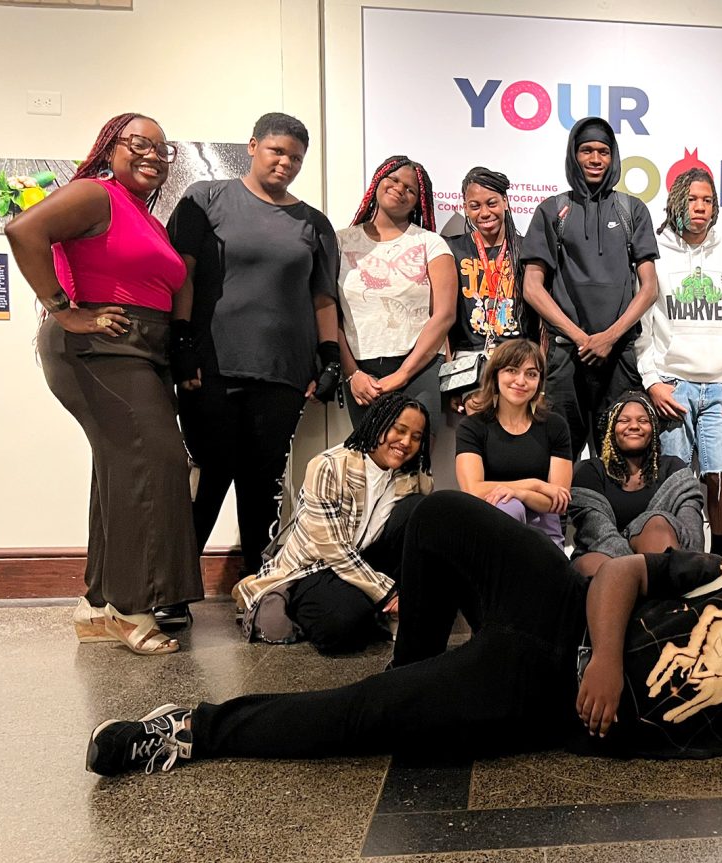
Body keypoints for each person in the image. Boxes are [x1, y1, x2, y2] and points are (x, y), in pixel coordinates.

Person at [85, 491, 722, 776]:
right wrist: (610, 658)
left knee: (361, 716)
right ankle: (417, 667)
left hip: (539, 686)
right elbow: (618, 572)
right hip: (565, 617)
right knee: (439, 513)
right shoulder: (715, 573)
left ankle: (190, 730)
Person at [5, 112, 202, 654]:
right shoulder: (97, 194)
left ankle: (97, 604)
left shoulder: (143, 216)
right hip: (101, 344)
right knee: (157, 460)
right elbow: (24, 230)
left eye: (163, 151)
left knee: (123, 464)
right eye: (140, 144)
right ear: (110, 147)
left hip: (141, 348)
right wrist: (64, 310)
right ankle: (133, 608)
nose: (153, 156)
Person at [167, 112, 340, 582]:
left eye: (297, 158)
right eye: (277, 151)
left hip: (284, 373)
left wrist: (329, 357)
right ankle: (173, 590)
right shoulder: (206, 198)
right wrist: (180, 340)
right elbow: (182, 272)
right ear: (253, 146)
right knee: (209, 476)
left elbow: (322, 297)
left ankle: (258, 589)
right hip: (213, 366)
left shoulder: (314, 223)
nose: (286, 163)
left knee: (263, 484)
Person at [232, 392, 433, 654]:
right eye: (399, 430)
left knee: (421, 509)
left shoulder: (409, 476)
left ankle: (380, 608)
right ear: (377, 422)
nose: (406, 442)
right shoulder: (328, 466)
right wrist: (388, 592)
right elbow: (333, 550)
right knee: (342, 628)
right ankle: (287, 604)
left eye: (416, 437)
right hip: (316, 568)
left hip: (362, 561)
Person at [521, 116, 660, 458]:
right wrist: (582, 338)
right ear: (574, 155)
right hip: (567, 353)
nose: (595, 159)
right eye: (586, 151)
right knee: (559, 455)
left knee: (619, 455)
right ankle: (561, 515)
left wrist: (609, 337)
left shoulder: (632, 210)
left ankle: (613, 515)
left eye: (603, 151)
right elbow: (532, 288)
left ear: (613, 157)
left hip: (618, 356)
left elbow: (650, 288)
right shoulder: (552, 210)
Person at [636, 167, 722, 558]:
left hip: (720, 385)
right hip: (673, 384)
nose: (700, 208)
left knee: (719, 481)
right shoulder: (653, 253)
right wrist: (653, 382)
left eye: (707, 200)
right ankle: (682, 560)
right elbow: (643, 329)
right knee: (676, 480)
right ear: (675, 202)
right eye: (691, 199)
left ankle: (719, 562)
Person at [337, 155, 456, 426]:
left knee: (415, 460)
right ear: (378, 180)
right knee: (371, 460)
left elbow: (444, 315)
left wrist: (404, 373)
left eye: (410, 189)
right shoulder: (341, 241)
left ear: (418, 201)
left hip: (419, 370)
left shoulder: (431, 243)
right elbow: (331, 315)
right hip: (361, 372)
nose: (400, 189)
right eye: (393, 180)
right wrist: (352, 373)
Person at [569, 392, 704, 577]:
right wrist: (635, 569)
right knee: (603, 568)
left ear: (654, 430)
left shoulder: (674, 469)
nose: (634, 426)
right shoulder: (590, 471)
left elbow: (692, 533)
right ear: (611, 429)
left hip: (665, 561)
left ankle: (663, 601)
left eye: (643, 421)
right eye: (624, 421)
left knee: (657, 525)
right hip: (602, 557)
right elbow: (596, 532)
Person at [455, 339, 572, 547]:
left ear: (539, 382)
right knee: (509, 506)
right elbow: (473, 490)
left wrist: (521, 493)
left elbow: (558, 501)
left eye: (531, 374)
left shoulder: (555, 425)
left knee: (513, 503)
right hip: (491, 528)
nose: (521, 380)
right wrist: (535, 484)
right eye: (512, 370)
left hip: (543, 531)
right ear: (495, 375)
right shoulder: (472, 426)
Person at [447, 166, 536, 361]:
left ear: (505, 201)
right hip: (468, 359)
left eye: (491, 203)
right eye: (475, 206)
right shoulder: (451, 249)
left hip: (518, 355)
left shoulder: (528, 249)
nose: (485, 213)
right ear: (465, 208)